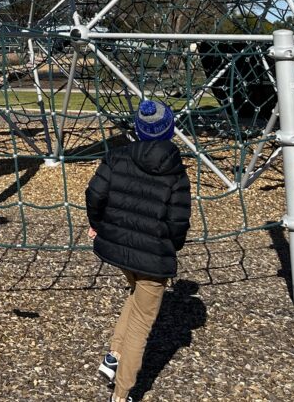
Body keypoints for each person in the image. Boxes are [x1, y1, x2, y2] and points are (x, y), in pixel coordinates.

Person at [86, 99, 191, 402]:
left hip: (118, 249)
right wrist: (170, 248)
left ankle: (113, 356)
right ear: (170, 130)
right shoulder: (176, 172)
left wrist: (98, 224)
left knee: (135, 297)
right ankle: (122, 393)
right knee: (142, 326)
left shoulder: (117, 156)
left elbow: (95, 194)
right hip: (153, 256)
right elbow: (177, 222)